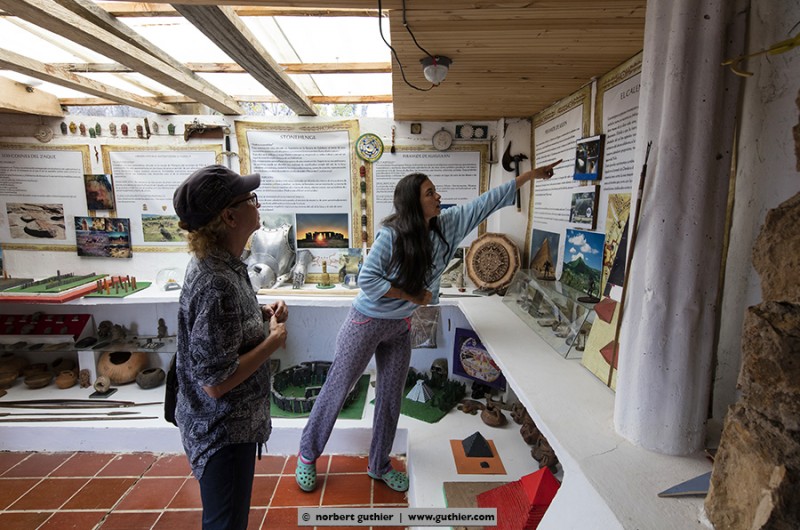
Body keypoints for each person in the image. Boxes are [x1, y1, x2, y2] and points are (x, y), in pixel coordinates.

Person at [295, 158, 562, 493]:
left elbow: (485, 202)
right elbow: (367, 279)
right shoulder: (392, 235)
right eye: (430, 193)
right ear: (413, 202)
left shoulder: (446, 225)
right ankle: (307, 454)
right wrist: (410, 294)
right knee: (339, 387)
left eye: (435, 191)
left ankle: (379, 464)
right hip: (366, 322)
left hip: (399, 326)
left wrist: (530, 175)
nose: (438, 197)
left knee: (391, 397)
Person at [172, 164, 288, 530]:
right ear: (229, 216)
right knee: (226, 523)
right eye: (251, 198)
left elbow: (222, 327)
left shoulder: (222, 264)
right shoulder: (216, 282)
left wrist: (260, 312)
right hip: (223, 431)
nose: (258, 204)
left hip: (226, 425)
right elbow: (216, 382)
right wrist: (272, 342)